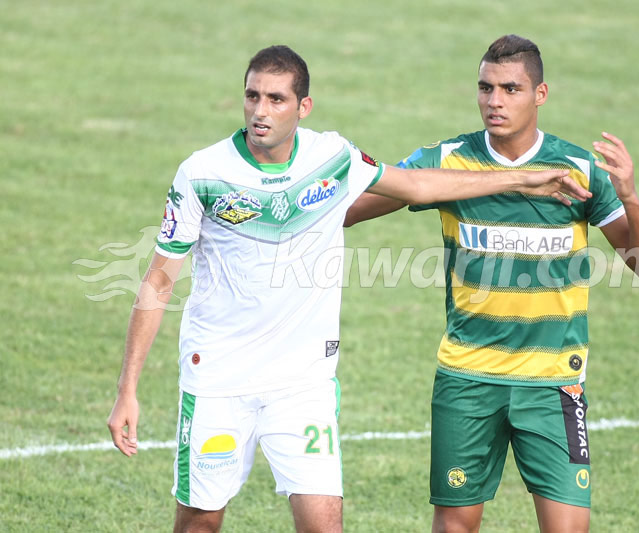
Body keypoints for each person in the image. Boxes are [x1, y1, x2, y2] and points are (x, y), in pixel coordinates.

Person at [106, 44, 591, 533]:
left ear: (303, 106)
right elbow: (159, 280)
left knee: (324, 526)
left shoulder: (333, 157)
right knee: (199, 524)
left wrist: (521, 179)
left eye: (276, 99)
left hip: (303, 384)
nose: (260, 110)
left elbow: (417, 187)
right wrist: (128, 388)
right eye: (252, 96)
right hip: (218, 379)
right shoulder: (202, 173)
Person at [344, 35, 639, 533]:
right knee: (454, 525)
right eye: (485, 87)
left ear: (540, 94)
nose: (494, 101)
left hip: (554, 383)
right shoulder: (447, 160)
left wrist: (630, 196)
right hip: (467, 378)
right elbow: (348, 211)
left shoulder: (579, 170)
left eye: (511, 89)